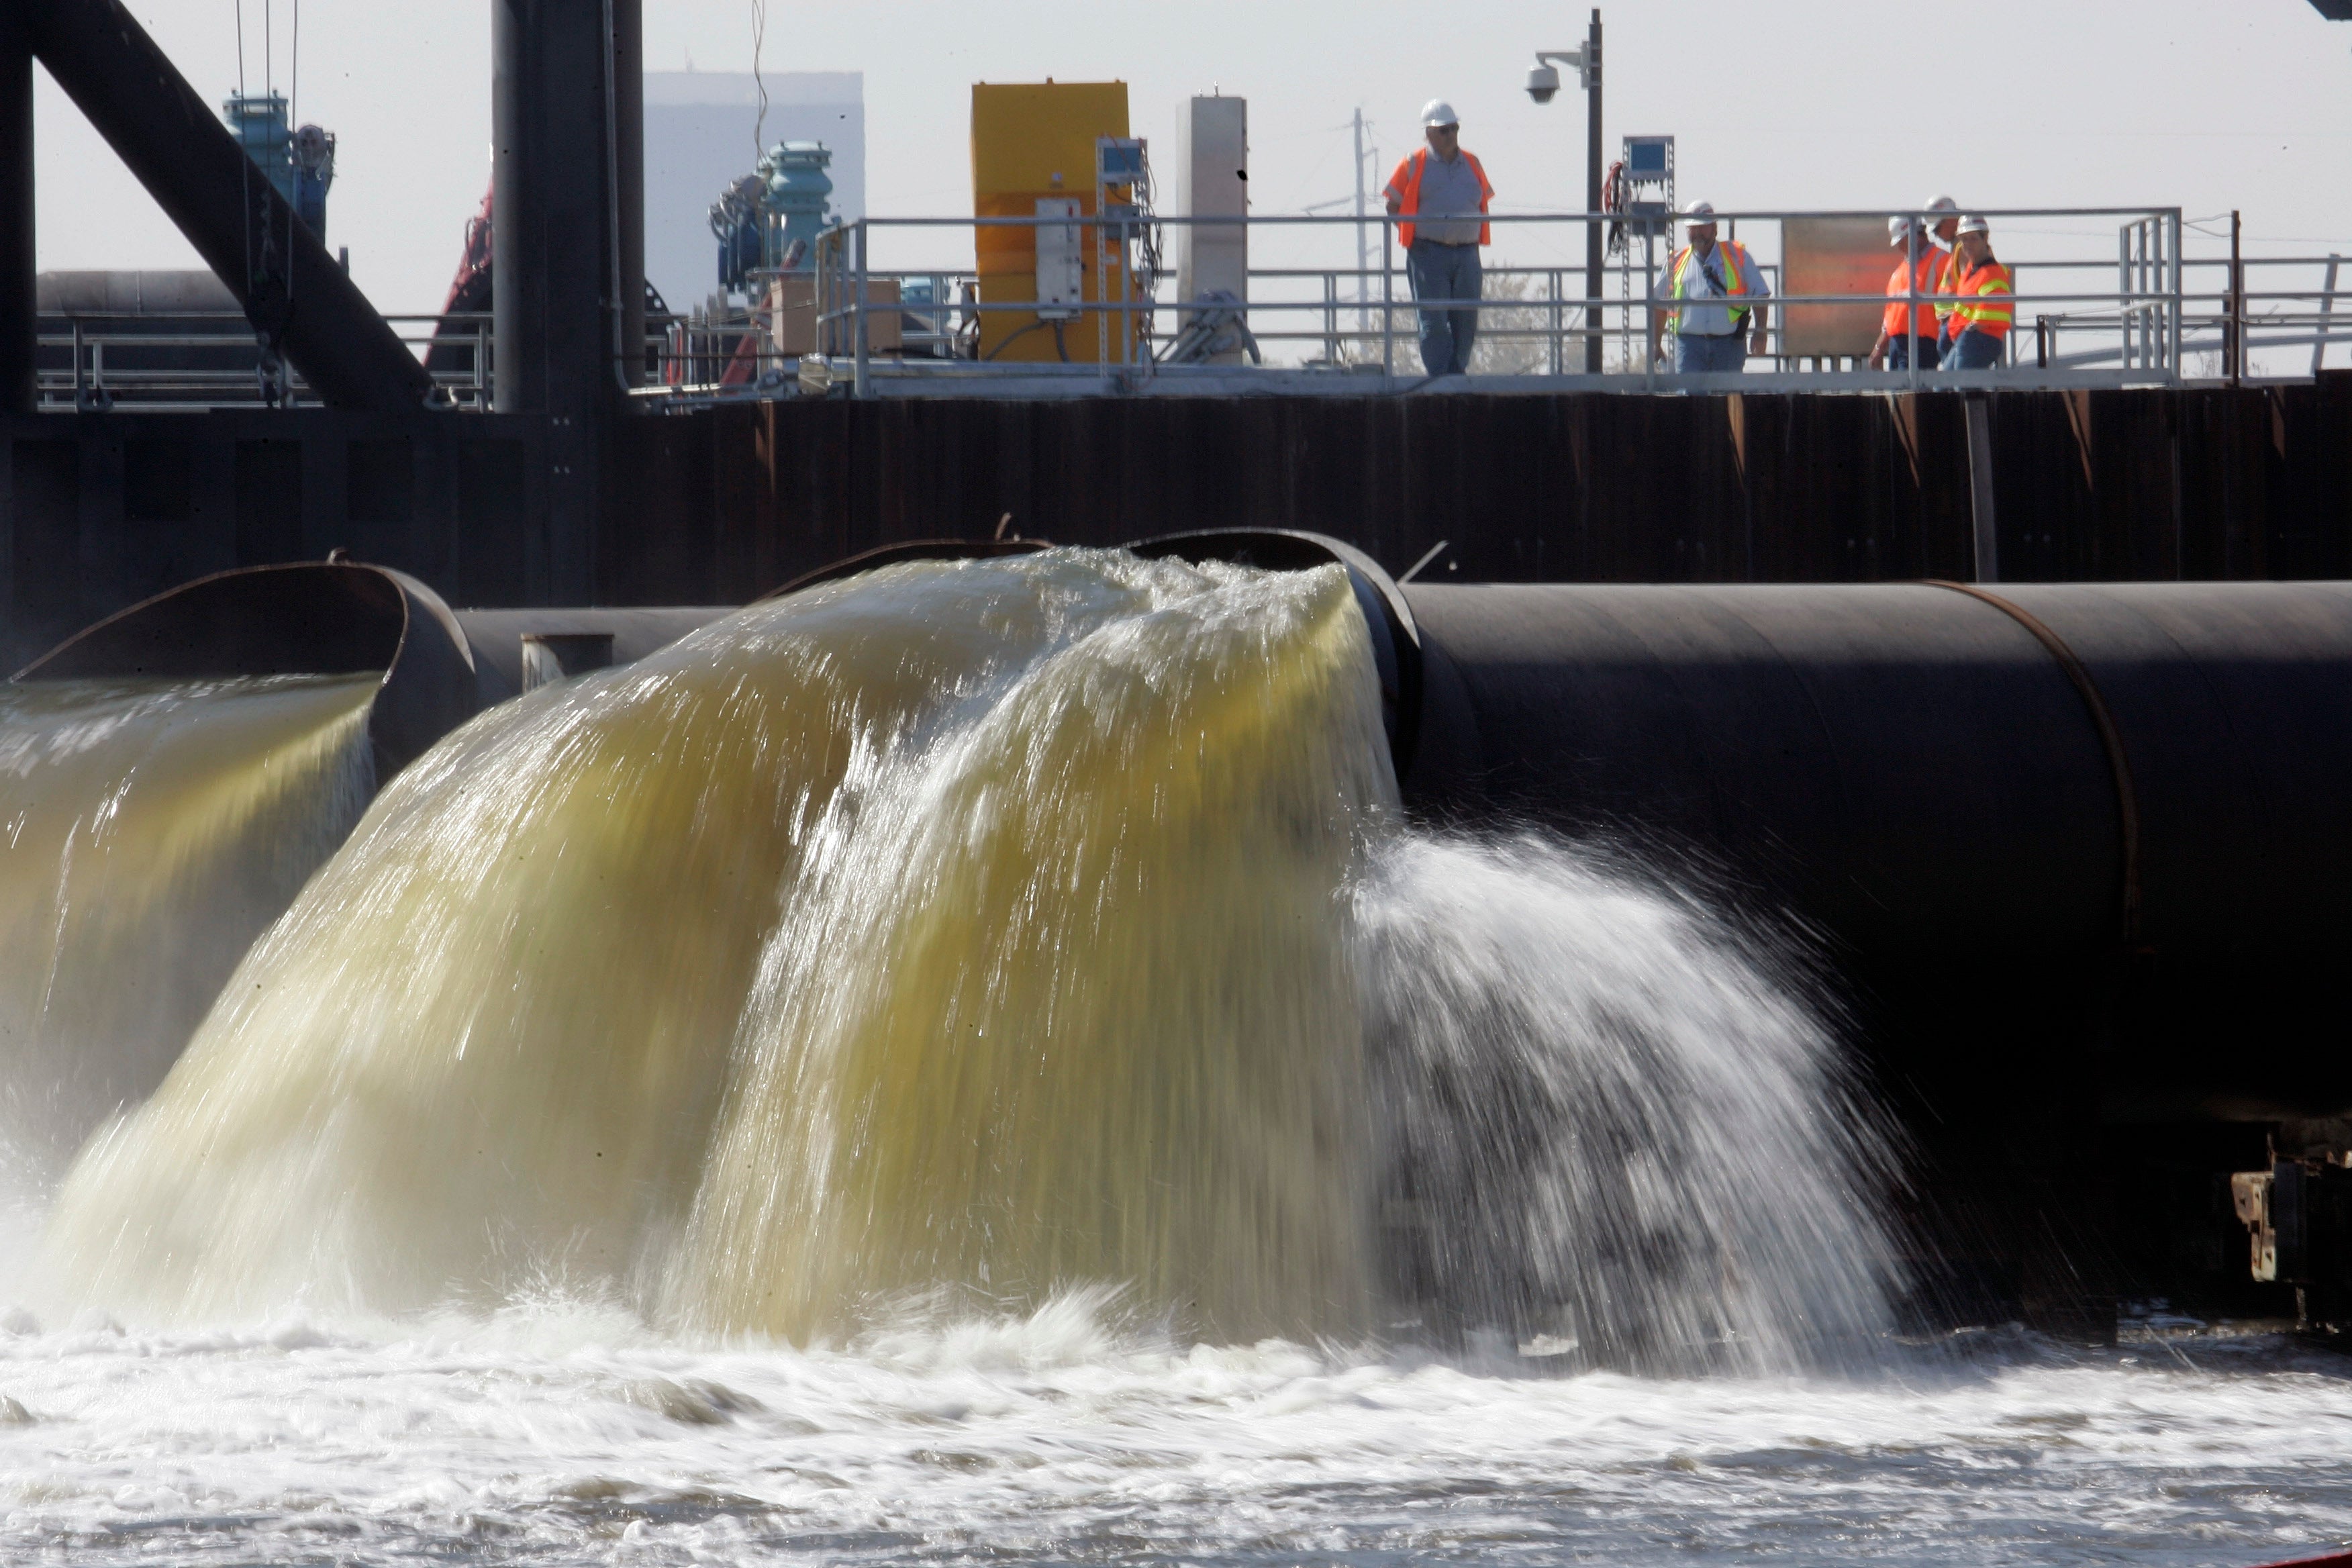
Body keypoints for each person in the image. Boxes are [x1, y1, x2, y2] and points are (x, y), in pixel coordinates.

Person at [1383, 100, 1493, 377]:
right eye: (1444, 130)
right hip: (1428, 254)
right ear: (1429, 133)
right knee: (1433, 321)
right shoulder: (1412, 163)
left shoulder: (1472, 162)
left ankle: (1456, 374)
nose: (1451, 134)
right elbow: (1392, 205)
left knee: (1466, 321)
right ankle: (1440, 377)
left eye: (1454, 128)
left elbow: (1482, 198)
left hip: (1468, 254)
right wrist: (1415, 236)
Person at [1647, 202, 1771, 374]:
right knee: (1690, 398)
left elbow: (1760, 293)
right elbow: (1660, 305)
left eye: (1703, 227)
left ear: (1714, 228)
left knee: (1729, 398)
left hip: (1729, 345)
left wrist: (1761, 330)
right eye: (1693, 228)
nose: (1697, 232)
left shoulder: (1737, 255)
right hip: (1689, 346)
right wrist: (1656, 343)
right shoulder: (1676, 261)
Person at [1939, 215, 2014, 372]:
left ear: (1985, 238)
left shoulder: (1991, 273)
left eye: (1973, 238)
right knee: (1944, 386)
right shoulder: (1970, 271)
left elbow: (1992, 314)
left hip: (1979, 338)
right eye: (1964, 239)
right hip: (1965, 338)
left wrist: (1970, 329)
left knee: (1960, 385)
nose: (1967, 244)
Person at [1868, 217, 1944, 371]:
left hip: (1923, 344)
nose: (1899, 248)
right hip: (1897, 346)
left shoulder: (1942, 260)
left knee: (1911, 392)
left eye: (1901, 242)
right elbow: (1890, 319)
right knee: (1898, 393)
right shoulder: (1900, 272)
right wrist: (1879, 347)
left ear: (1914, 235)